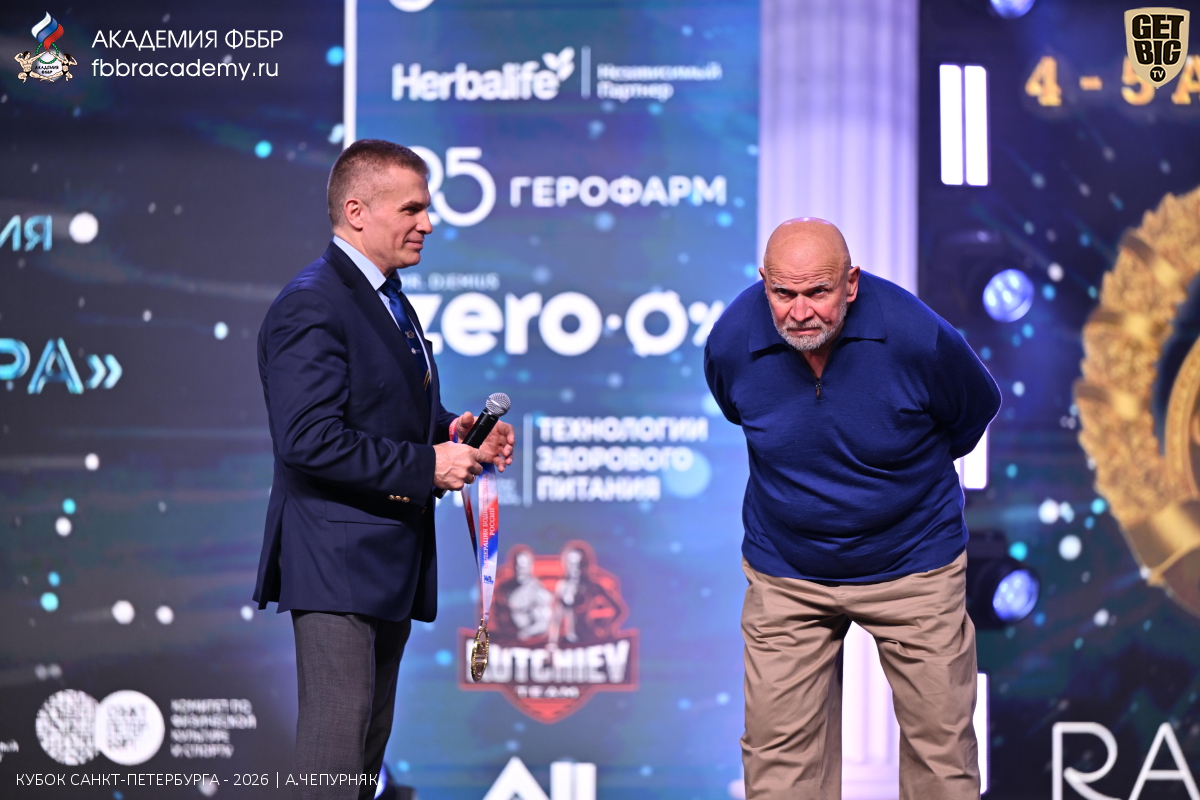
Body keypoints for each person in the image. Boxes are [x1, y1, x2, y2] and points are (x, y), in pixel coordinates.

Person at [251, 139, 515, 800]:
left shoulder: (385, 297)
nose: (429, 223)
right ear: (357, 211)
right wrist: (429, 465)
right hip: (337, 563)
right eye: (413, 209)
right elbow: (308, 440)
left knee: (360, 760)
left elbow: (380, 410)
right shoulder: (312, 303)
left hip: (382, 563)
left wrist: (454, 433)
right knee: (334, 762)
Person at [703, 218, 1001, 800]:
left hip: (915, 566)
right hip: (787, 572)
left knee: (943, 757)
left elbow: (973, 410)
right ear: (763, 282)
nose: (800, 312)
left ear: (851, 283)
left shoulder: (917, 337)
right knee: (777, 767)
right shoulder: (732, 340)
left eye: (818, 292)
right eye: (783, 293)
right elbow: (738, 408)